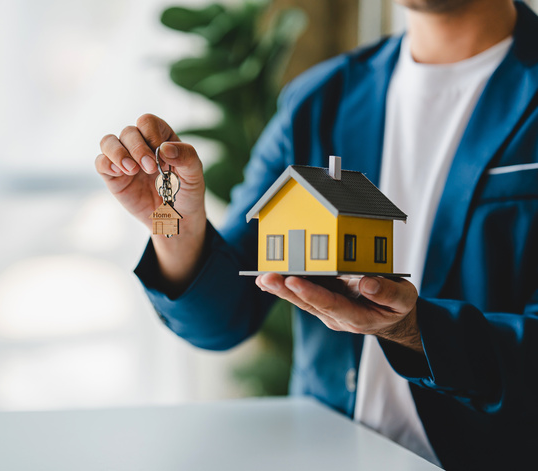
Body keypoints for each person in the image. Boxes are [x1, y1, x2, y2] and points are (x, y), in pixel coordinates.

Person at [95, 0, 537, 468]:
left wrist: (414, 331)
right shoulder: (317, 99)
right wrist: (175, 227)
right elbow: (224, 319)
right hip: (327, 455)